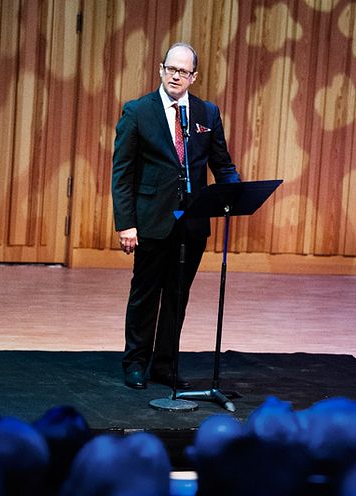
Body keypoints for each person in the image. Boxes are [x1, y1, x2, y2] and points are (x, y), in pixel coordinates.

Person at [112, 42, 240, 390]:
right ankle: (135, 362)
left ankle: (164, 365)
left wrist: (235, 189)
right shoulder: (138, 111)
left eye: (184, 71)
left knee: (177, 296)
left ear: (193, 77)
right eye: (171, 69)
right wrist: (126, 223)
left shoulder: (207, 114)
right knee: (145, 293)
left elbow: (221, 164)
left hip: (192, 221)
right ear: (160, 69)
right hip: (152, 220)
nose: (176, 76)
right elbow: (122, 173)